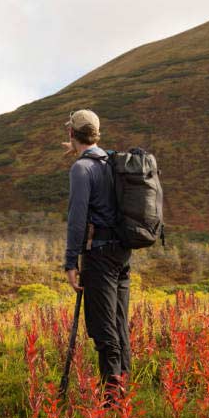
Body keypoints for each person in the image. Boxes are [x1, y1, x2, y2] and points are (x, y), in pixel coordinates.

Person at [62, 109, 131, 388]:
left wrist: (70, 263)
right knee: (119, 326)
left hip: (99, 256)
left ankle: (112, 406)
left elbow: (77, 220)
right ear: (96, 133)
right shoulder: (111, 162)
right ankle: (123, 395)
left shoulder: (81, 169)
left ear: (71, 133)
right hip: (122, 254)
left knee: (105, 333)